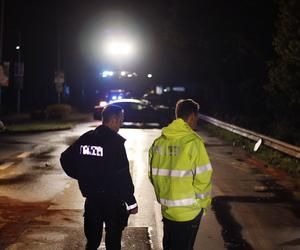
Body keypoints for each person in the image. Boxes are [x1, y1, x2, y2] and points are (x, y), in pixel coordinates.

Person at [60, 105, 138, 250]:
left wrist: (83, 175)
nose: (121, 124)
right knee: (113, 243)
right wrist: (132, 203)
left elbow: (65, 158)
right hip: (113, 202)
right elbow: (123, 175)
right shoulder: (115, 143)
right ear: (114, 120)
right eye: (121, 120)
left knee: (92, 242)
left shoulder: (87, 138)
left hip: (92, 201)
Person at [148, 99, 213, 250]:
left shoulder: (159, 142)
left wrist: (164, 198)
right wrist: (201, 205)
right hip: (188, 213)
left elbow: (152, 175)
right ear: (191, 117)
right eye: (196, 118)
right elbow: (203, 178)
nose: (196, 121)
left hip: (167, 210)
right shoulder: (193, 142)